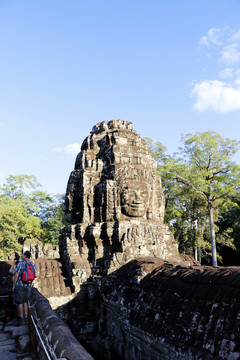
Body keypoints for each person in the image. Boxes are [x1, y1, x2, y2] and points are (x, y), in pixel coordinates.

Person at [9, 250, 37, 325]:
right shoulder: (32, 264)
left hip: (20, 286)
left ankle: (22, 319)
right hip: (28, 286)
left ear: (25, 256)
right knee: (25, 302)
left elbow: (13, 273)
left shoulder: (21, 264)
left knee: (20, 302)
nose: (21, 255)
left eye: (23, 254)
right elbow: (36, 275)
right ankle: (26, 318)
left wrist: (13, 264)